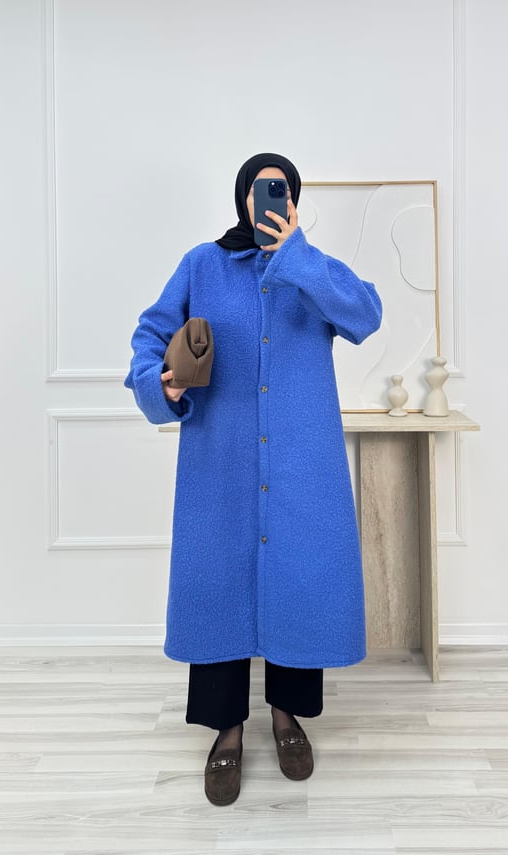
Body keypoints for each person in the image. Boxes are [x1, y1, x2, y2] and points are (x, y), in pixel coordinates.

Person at [125, 153, 382, 806]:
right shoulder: (201, 265)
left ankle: (287, 717)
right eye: (261, 189)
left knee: (298, 580)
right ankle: (226, 729)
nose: (270, 199)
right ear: (242, 196)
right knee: (219, 585)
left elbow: (365, 314)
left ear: (293, 199)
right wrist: (159, 383)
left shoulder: (312, 270)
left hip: (301, 465)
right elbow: (149, 337)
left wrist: (296, 256)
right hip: (219, 462)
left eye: (282, 189)